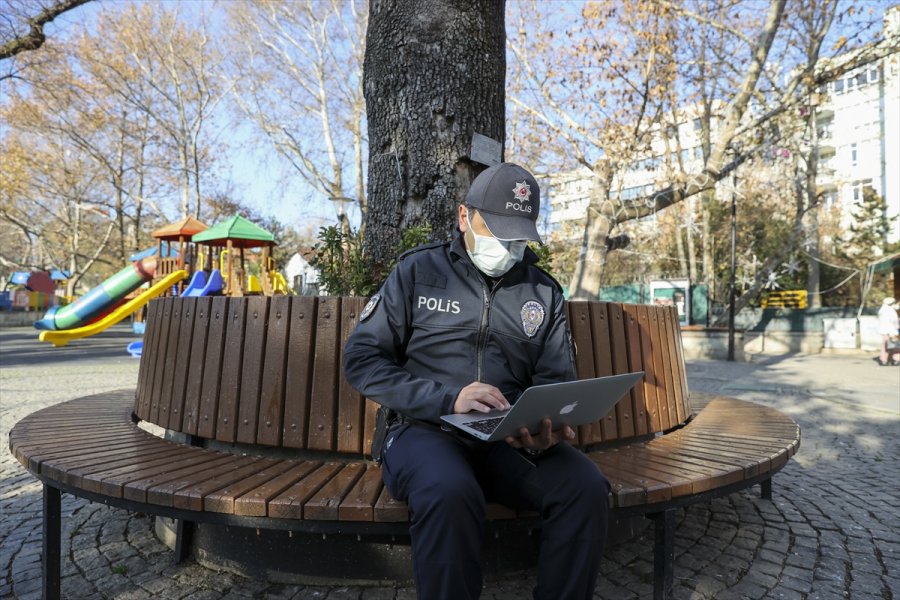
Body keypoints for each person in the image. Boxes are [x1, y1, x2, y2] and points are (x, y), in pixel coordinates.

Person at [343, 162, 611, 600]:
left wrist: (544, 427)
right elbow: (361, 358)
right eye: (499, 231)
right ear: (464, 217)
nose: (508, 246)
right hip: (424, 432)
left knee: (584, 486)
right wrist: (447, 399)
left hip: (508, 441)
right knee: (449, 490)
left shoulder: (542, 292)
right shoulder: (418, 271)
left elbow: (554, 379)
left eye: (519, 235)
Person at [877, 296, 899, 366]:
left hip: (883, 331)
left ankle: (884, 360)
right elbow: (893, 322)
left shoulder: (882, 310)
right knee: (896, 347)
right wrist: (892, 332)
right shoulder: (890, 311)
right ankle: (896, 359)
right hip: (891, 331)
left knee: (884, 347)